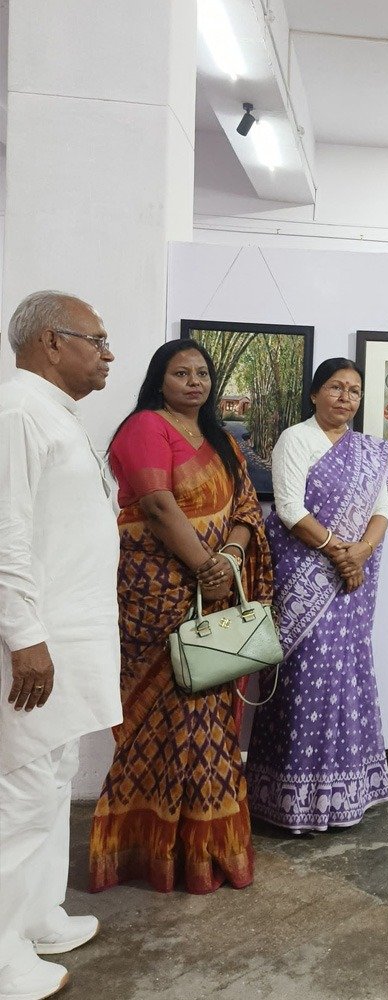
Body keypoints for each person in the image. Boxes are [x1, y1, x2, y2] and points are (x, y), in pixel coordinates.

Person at [88, 340, 273, 894]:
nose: (195, 382)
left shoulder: (222, 439)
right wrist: (203, 567)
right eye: (181, 373)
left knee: (211, 723)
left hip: (215, 593)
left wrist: (229, 558)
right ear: (159, 380)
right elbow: (156, 505)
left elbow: (246, 508)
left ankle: (206, 851)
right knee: (166, 721)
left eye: (202, 373)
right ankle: (151, 853)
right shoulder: (145, 427)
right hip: (158, 597)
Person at [0, 291, 120, 1000]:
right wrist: (25, 638)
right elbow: (6, 535)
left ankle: (36, 917)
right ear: (51, 341)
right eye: (96, 341)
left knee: (52, 778)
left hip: (70, 635)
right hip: (36, 644)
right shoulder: (18, 411)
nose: (108, 354)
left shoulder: (54, 413)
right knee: (21, 790)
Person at [246, 358, 388, 831]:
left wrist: (361, 553)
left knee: (345, 676)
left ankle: (345, 793)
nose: (345, 397)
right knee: (299, 680)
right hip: (303, 578)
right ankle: (290, 800)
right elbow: (289, 508)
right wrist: (339, 553)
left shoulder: (368, 451)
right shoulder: (296, 438)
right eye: (335, 387)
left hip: (350, 581)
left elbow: (381, 510)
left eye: (354, 390)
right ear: (315, 394)